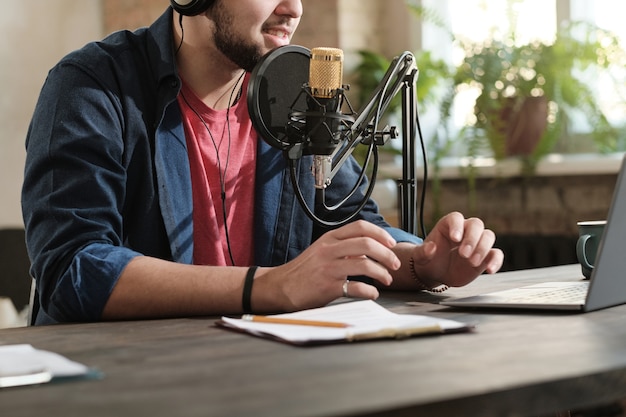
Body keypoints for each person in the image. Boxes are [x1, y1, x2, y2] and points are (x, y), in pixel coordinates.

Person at [21, 0, 503, 325]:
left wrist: (422, 263)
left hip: (267, 377)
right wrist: (270, 286)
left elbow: (352, 225)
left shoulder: (296, 94)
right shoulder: (90, 87)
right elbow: (74, 268)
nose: (293, 7)